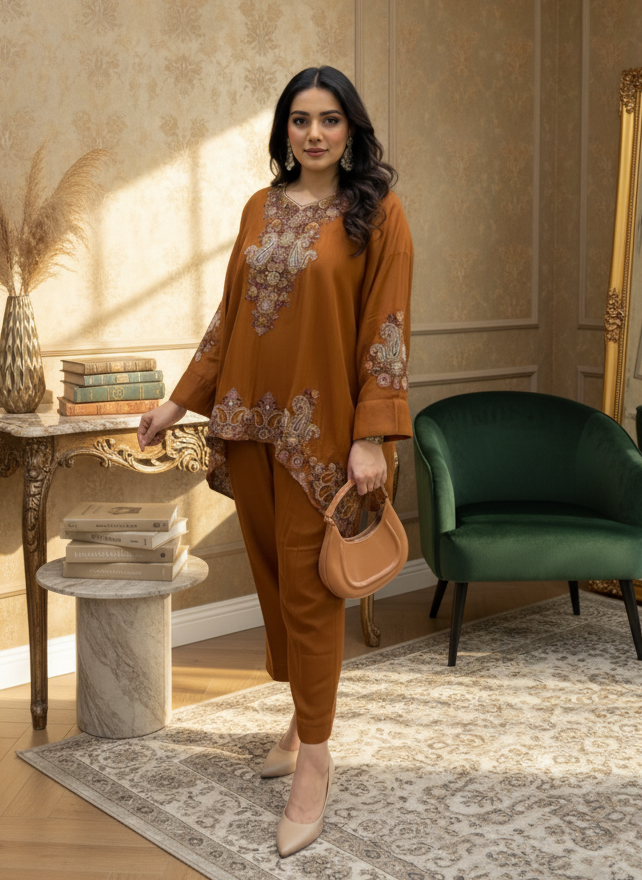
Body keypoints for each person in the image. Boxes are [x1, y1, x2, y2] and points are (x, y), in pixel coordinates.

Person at [137, 65, 413, 858]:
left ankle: (315, 760)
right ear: (284, 130)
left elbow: (387, 328)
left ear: (351, 129)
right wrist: (178, 402)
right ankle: (301, 718)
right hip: (249, 425)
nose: (314, 133)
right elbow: (229, 317)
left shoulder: (378, 214)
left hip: (321, 438)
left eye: (329, 119)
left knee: (311, 595)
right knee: (275, 585)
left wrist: (371, 435)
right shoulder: (259, 207)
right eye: (300, 119)